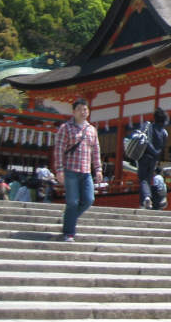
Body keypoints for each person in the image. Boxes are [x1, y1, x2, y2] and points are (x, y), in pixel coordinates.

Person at [54, 98, 103, 242]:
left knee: (89, 199)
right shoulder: (66, 128)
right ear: (74, 112)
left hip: (86, 170)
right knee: (73, 202)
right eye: (81, 109)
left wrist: (98, 169)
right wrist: (59, 169)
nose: (84, 112)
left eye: (86, 109)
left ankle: (69, 219)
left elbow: (96, 151)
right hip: (70, 170)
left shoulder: (91, 130)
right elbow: (59, 150)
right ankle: (69, 232)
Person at [137, 108, 169, 210]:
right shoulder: (163, 132)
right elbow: (162, 147)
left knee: (143, 179)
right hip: (154, 159)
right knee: (149, 179)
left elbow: (141, 138)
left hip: (144, 156)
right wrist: (156, 153)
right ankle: (153, 200)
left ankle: (146, 198)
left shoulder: (149, 126)